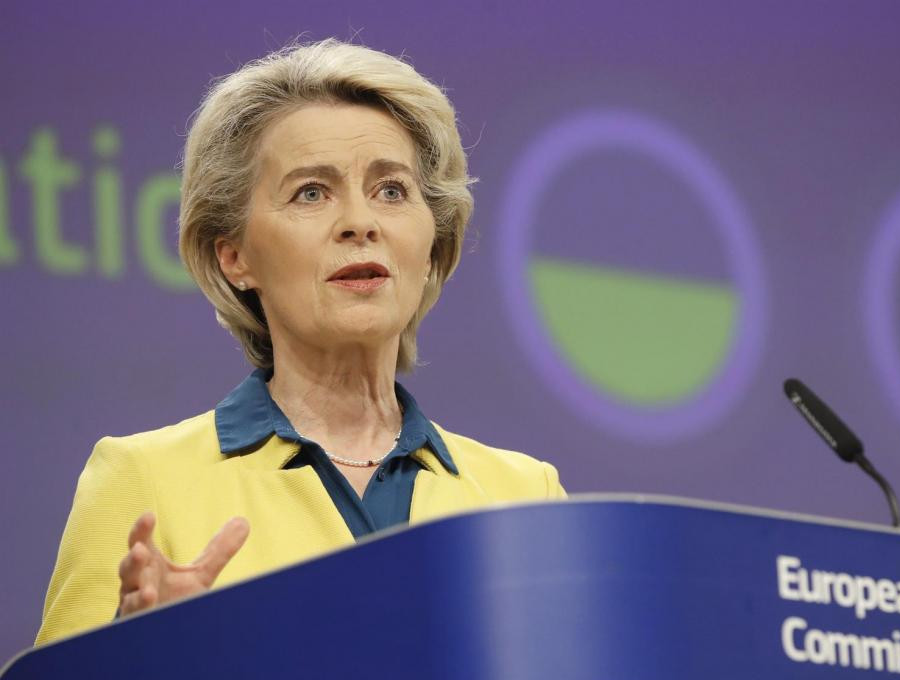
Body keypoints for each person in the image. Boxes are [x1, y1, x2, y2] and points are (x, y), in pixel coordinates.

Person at [36, 39, 566, 645]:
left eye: (391, 190)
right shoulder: (144, 480)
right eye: (310, 192)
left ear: (431, 248)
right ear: (234, 257)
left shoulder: (525, 496)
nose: (360, 222)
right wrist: (139, 668)